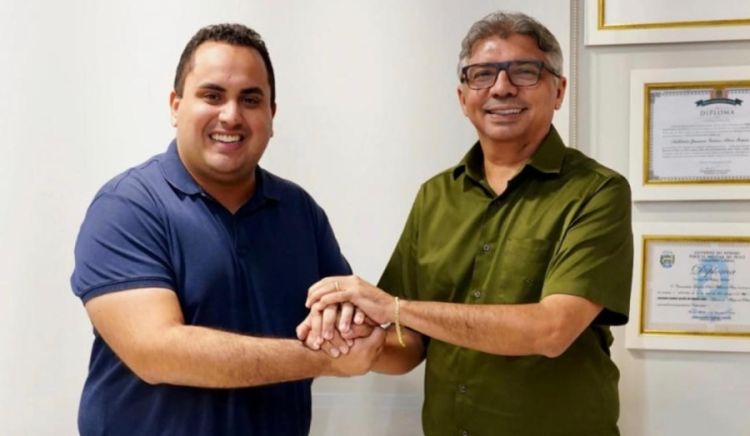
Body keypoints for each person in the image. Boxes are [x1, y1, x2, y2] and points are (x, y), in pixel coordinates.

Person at [300, 11, 633, 436]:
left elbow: (552, 330)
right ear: (463, 97)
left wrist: (396, 308)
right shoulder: (435, 196)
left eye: (525, 71)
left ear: (559, 90)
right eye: (482, 74)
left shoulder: (597, 191)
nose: (501, 87)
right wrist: (360, 344)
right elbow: (411, 343)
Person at [71, 23, 385, 436]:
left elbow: (374, 339)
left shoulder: (299, 212)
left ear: (271, 115)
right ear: (175, 106)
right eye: (212, 95)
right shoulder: (128, 207)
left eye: (250, 99)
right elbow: (156, 353)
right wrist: (324, 359)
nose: (231, 115)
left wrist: (353, 328)